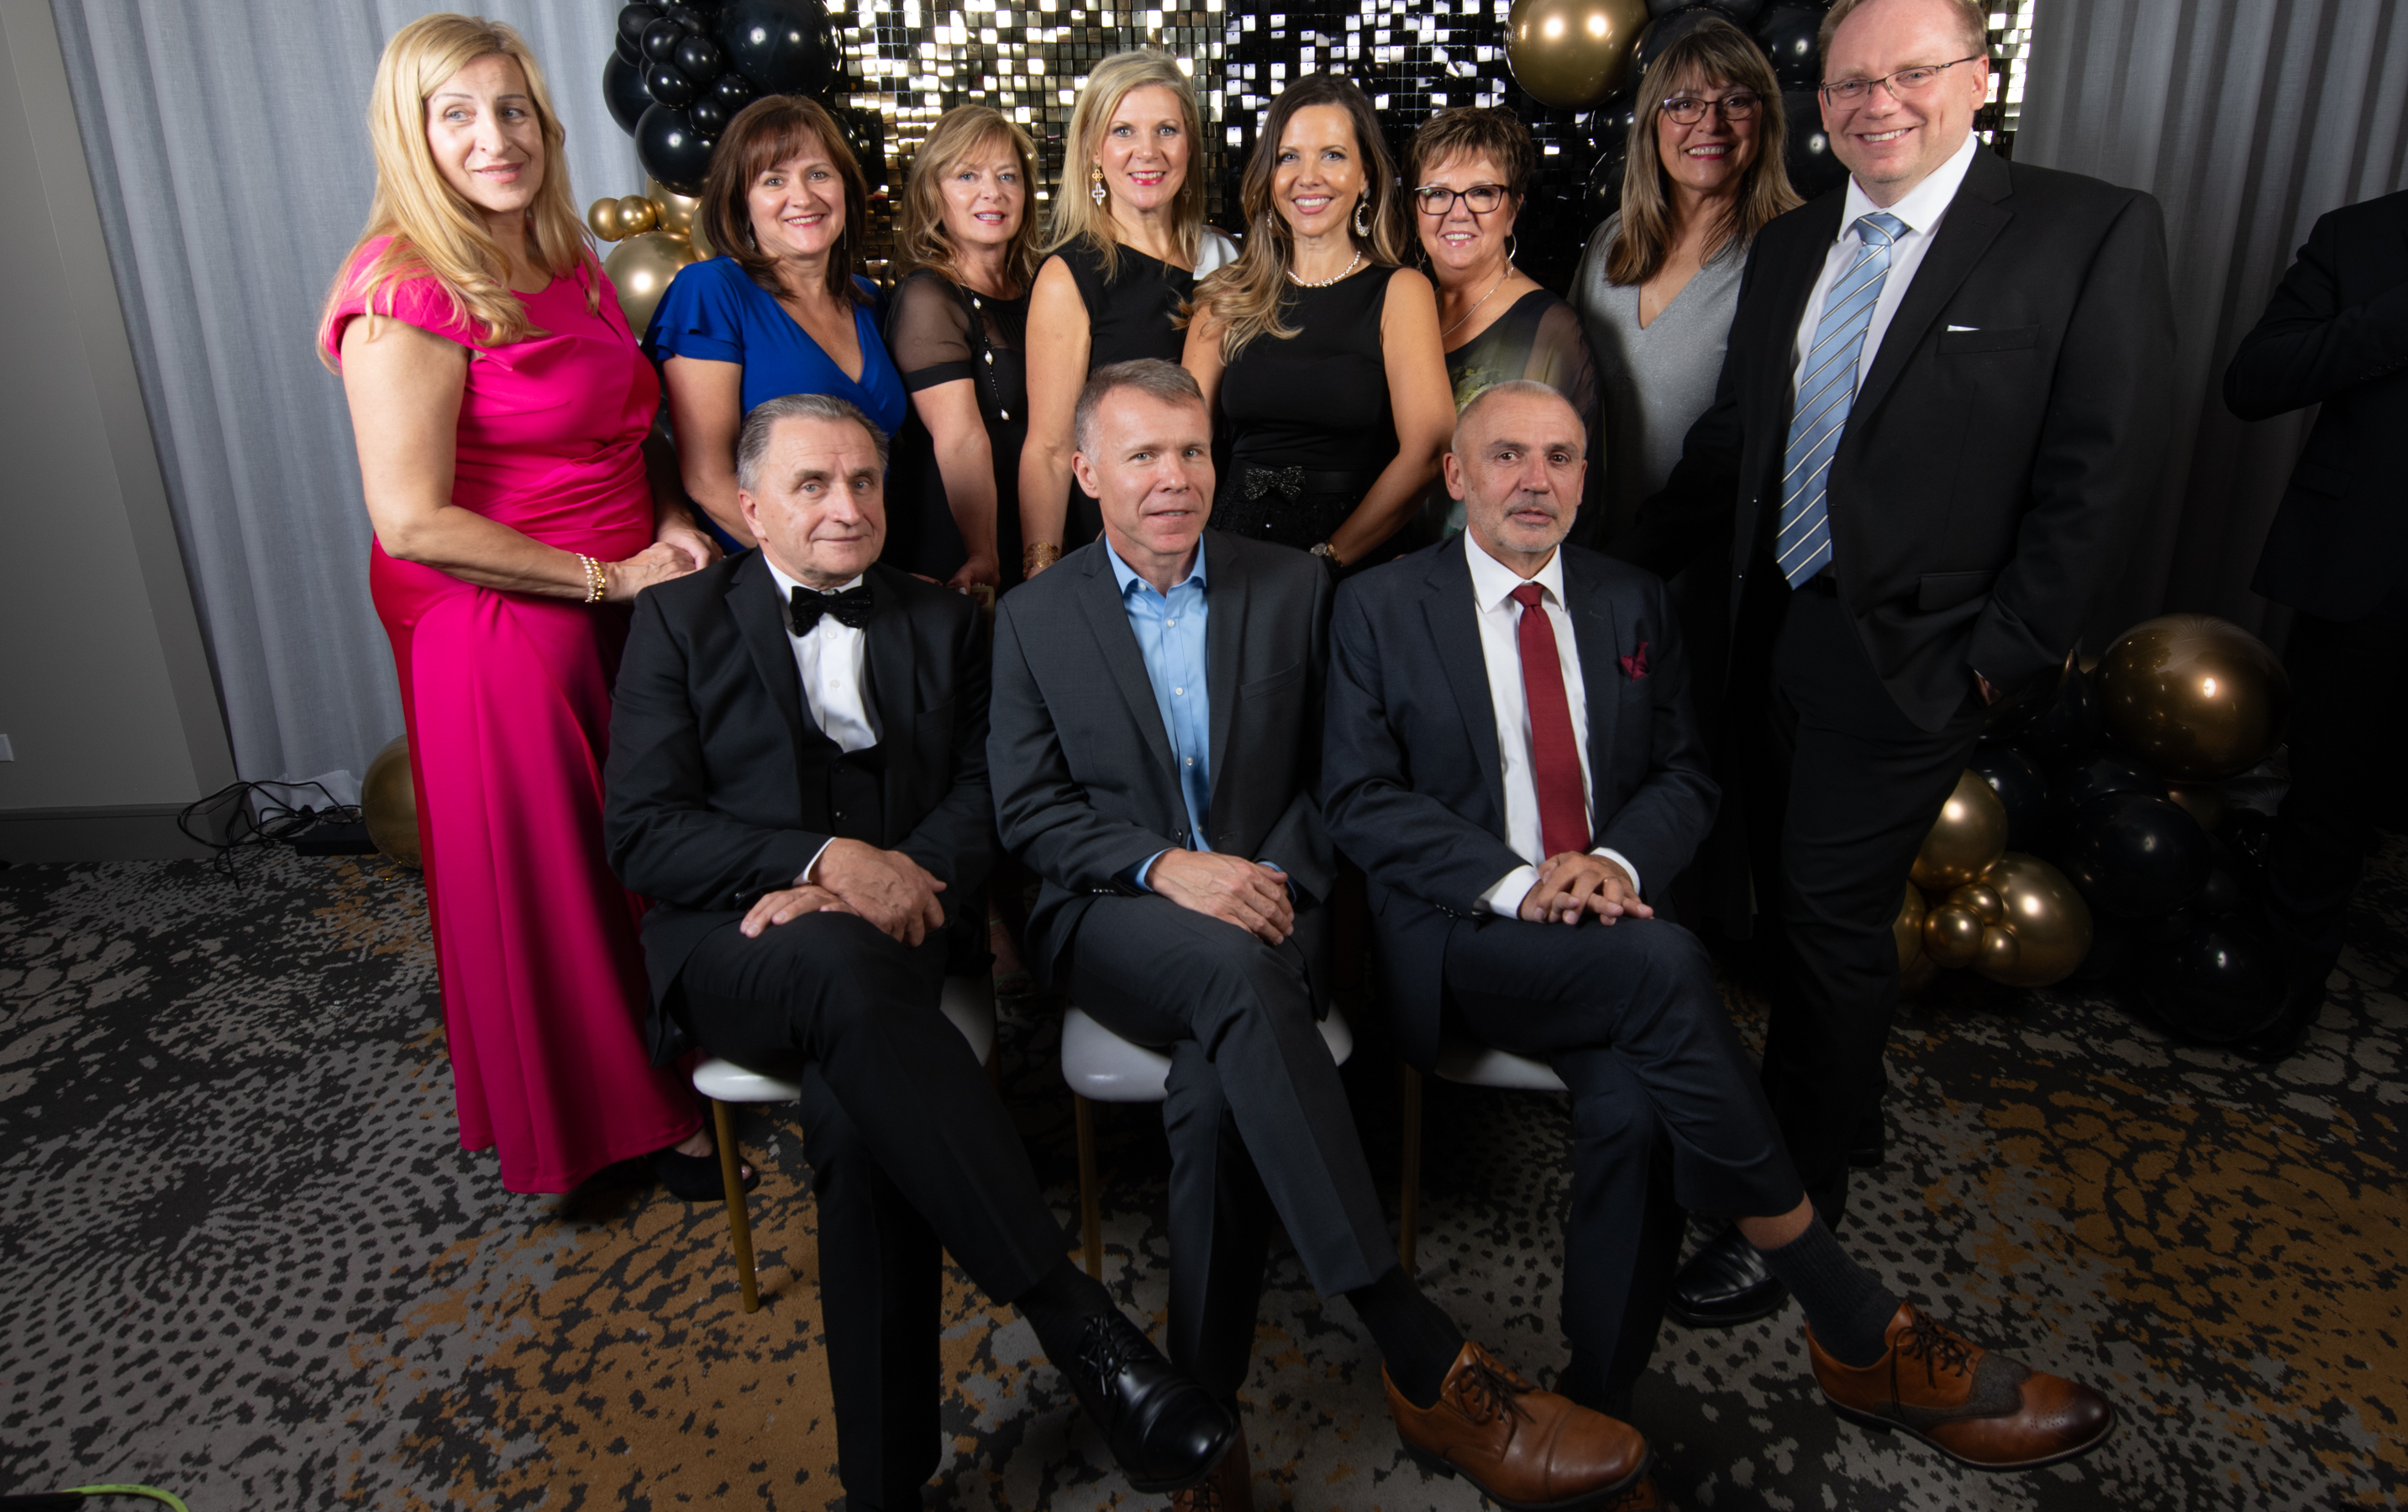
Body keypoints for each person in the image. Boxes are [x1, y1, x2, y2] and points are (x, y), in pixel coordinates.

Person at [1324, 381, 2116, 1478]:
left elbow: (1686, 774)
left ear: (1586, 479)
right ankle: (1847, 1317)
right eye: (1505, 456)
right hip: (1468, 939)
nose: (1534, 481)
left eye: (1560, 458)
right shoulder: (1377, 607)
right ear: (1455, 476)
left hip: (1612, 929)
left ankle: (1598, 1412)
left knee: (1638, 1104)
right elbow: (1359, 800)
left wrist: (1609, 865)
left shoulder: (1633, 601)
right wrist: (1519, 885)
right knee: (1662, 967)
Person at [989, 360, 1651, 1512]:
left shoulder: (1295, 585)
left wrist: (1262, 880)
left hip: (1270, 907)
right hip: (1110, 916)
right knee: (1230, 984)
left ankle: (1201, 1424)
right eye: (1142, 456)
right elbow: (1030, 811)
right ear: (1086, 472)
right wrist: (1168, 869)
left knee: (1213, 1087)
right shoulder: (1032, 617)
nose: (1173, 479)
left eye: (1192, 452)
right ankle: (1416, 1347)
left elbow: (1336, 779)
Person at [1614, 0, 2175, 1326]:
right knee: (1784, 906)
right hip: (1766, 633)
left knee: (1824, 918)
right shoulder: (1795, 246)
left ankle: (1789, 1214)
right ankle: (1839, 1111)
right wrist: (1600, 564)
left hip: (1917, 656)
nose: (1879, 104)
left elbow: (2101, 469)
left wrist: (2003, 653)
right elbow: (1738, 446)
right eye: (1852, 82)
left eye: (1911, 73)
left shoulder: (2081, 233)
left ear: (1978, 78)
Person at [603, 392, 1237, 1510]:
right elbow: (644, 832)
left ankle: (884, 1487)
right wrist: (825, 863)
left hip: (907, 935)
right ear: (749, 506)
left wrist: (892, 878)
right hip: (735, 945)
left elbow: (989, 796)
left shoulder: (947, 621)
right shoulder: (678, 621)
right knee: (834, 968)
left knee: (859, 1118)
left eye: (863, 481)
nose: (846, 506)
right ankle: (1075, 1321)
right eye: (811, 485)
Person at [318, 13, 730, 1199]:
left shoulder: (557, 254)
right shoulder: (403, 289)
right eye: (456, 115)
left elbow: (624, 425)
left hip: (613, 590)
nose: (493, 139)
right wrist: (610, 578)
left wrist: (665, 521)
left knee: (633, 847)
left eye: (511, 111)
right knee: (556, 878)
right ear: (410, 134)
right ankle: (621, 1120)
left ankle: (673, 1055)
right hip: (497, 619)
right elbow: (414, 522)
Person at [1574, 18, 1804, 932]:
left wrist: (1638, 557)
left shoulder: (1791, 251)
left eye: (1735, 100)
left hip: (1711, 565)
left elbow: (1749, 437)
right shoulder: (1609, 243)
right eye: (1683, 102)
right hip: (1602, 552)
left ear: (1765, 118)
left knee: (1697, 757)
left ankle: (1699, 948)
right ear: (1650, 123)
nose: (1709, 123)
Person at [2221, 184, 2408, 1061]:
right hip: (2370, 574)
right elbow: (2255, 382)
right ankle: (2279, 999)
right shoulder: (2360, 236)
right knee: (2328, 803)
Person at [1184, 76, 1455, 576]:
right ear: (1269, 175)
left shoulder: (1401, 291)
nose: (1308, 177)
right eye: (1288, 157)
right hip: (1231, 548)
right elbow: (1181, 443)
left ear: (1365, 175)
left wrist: (1328, 558)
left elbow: (1429, 450)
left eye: (1332, 155)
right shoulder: (1225, 296)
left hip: (1352, 554)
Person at [646, 94, 907, 554]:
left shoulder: (868, 299)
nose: (802, 197)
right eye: (773, 180)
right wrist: (829, 573)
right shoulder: (710, 292)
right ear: (741, 201)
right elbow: (707, 480)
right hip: (767, 567)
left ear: (846, 188)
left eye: (819, 174)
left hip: (866, 558)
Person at [1019, 50, 1233, 578]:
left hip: (1228, 532)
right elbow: (1050, 449)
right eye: (1123, 131)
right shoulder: (1069, 276)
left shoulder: (1230, 256)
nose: (1148, 151)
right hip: (1117, 549)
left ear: (1189, 145)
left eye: (1166, 130)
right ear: (1095, 148)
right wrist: (1043, 578)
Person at [1405, 106, 1600, 542]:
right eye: (1437, 193)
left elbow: (1538, 498)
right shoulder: (1406, 309)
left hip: (1483, 569)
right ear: (1417, 207)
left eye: (1481, 192)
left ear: (1512, 211)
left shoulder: (1550, 331)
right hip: (1392, 563)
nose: (1457, 213)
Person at [882, 105, 1041, 596]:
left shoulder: (1042, 287)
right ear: (933, 193)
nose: (992, 192)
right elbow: (960, 440)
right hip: (967, 536)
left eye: (1007, 176)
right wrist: (983, 554)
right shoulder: (928, 297)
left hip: (1040, 524)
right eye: (967, 175)